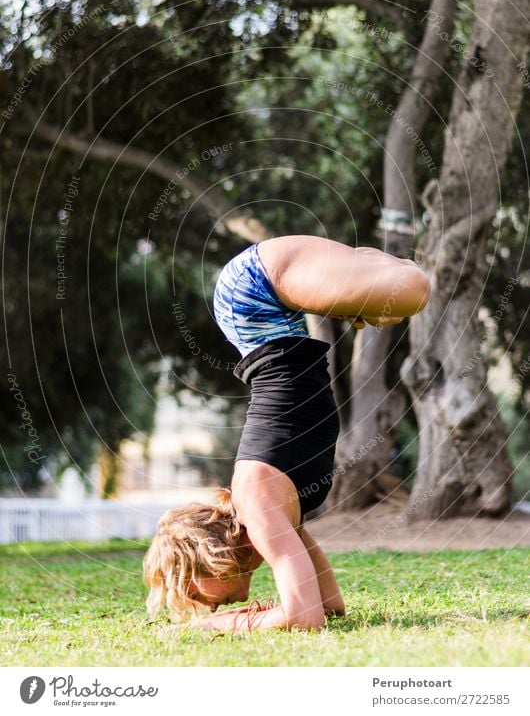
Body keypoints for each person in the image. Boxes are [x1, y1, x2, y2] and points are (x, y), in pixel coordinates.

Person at [144, 235, 431, 632]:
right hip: (265, 308)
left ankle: (376, 261)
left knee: (412, 290)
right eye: (199, 609)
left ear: (203, 555)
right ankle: (369, 262)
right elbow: (328, 607)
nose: (206, 609)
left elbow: (304, 619)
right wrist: (259, 615)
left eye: (193, 593)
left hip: (251, 294)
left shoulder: (257, 504)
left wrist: (210, 628)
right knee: (401, 294)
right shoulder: (270, 513)